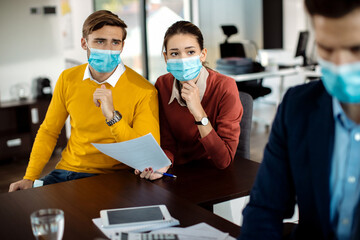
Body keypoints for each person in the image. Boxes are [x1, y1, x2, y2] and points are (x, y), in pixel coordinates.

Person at [239, 0, 360, 239]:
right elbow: (264, 208)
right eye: (326, 49)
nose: (340, 64)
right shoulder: (297, 108)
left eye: (356, 49)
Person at [9, 10, 160, 191]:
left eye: (115, 42)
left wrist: (113, 117)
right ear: (84, 43)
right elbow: (49, 131)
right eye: (100, 41)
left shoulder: (144, 90)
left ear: (122, 46)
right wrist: (29, 177)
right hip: (66, 171)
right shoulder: (68, 78)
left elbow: (145, 154)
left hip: (114, 177)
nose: (108, 49)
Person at [137, 21, 243, 180]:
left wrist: (199, 113)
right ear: (166, 58)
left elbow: (224, 160)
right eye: (174, 53)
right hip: (177, 173)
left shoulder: (225, 87)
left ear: (203, 55)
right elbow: (167, 141)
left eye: (190, 52)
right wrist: (162, 163)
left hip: (213, 173)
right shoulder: (162, 84)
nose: (182, 59)